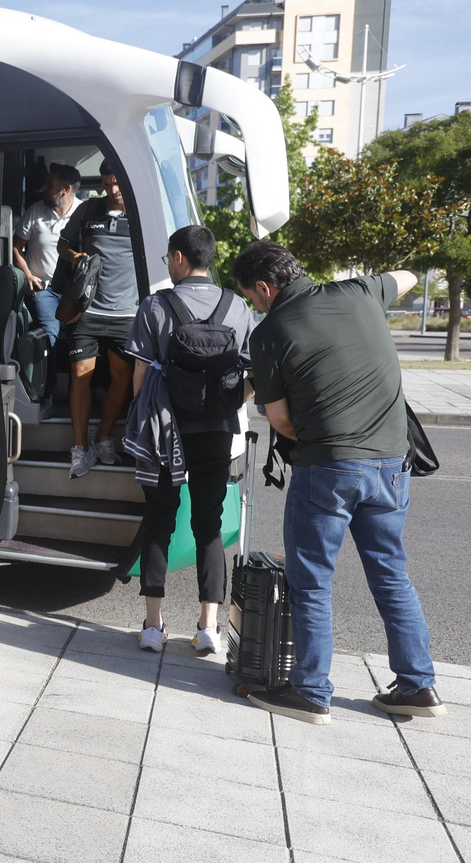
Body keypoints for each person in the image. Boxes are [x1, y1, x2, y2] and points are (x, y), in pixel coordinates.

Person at [234, 240, 445, 724]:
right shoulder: (360, 291)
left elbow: (281, 420)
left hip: (327, 467)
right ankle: (418, 685)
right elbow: (408, 275)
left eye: (251, 296)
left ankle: (310, 693)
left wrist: (319, 436)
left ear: (266, 288)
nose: (254, 304)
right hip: (392, 464)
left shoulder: (270, 333)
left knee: (311, 583)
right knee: (391, 575)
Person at [122, 225, 253, 656]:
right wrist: (229, 401)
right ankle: (207, 627)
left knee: (159, 521)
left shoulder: (155, 305)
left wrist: (144, 412)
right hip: (216, 431)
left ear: (179, 257)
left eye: (168, 258)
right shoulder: (237, 306)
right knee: (208, 526)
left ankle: (154, 626)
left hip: (165, 432)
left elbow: (140, 375)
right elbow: (252, 376)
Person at [58, 159, 139, 478]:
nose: (113, 189)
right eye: (107, 183)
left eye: (117, 183)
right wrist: (74, 256)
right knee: (80, 375)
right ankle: (80, 447)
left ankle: (104, 437)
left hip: (127, 313)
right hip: (87, 310)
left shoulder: (140, 213)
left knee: (122, 379)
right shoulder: (89, 210)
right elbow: (63, 244)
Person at [13, 163, 80, 342]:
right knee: (50, 331)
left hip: (75, 291)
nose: (44, 189)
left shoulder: (82, 213)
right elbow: (15, 246)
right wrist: (27, 275)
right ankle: (47, 370)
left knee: (81, 335)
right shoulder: (35, 211)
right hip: (43, 289)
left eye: (50, 185)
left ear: (65, 189)